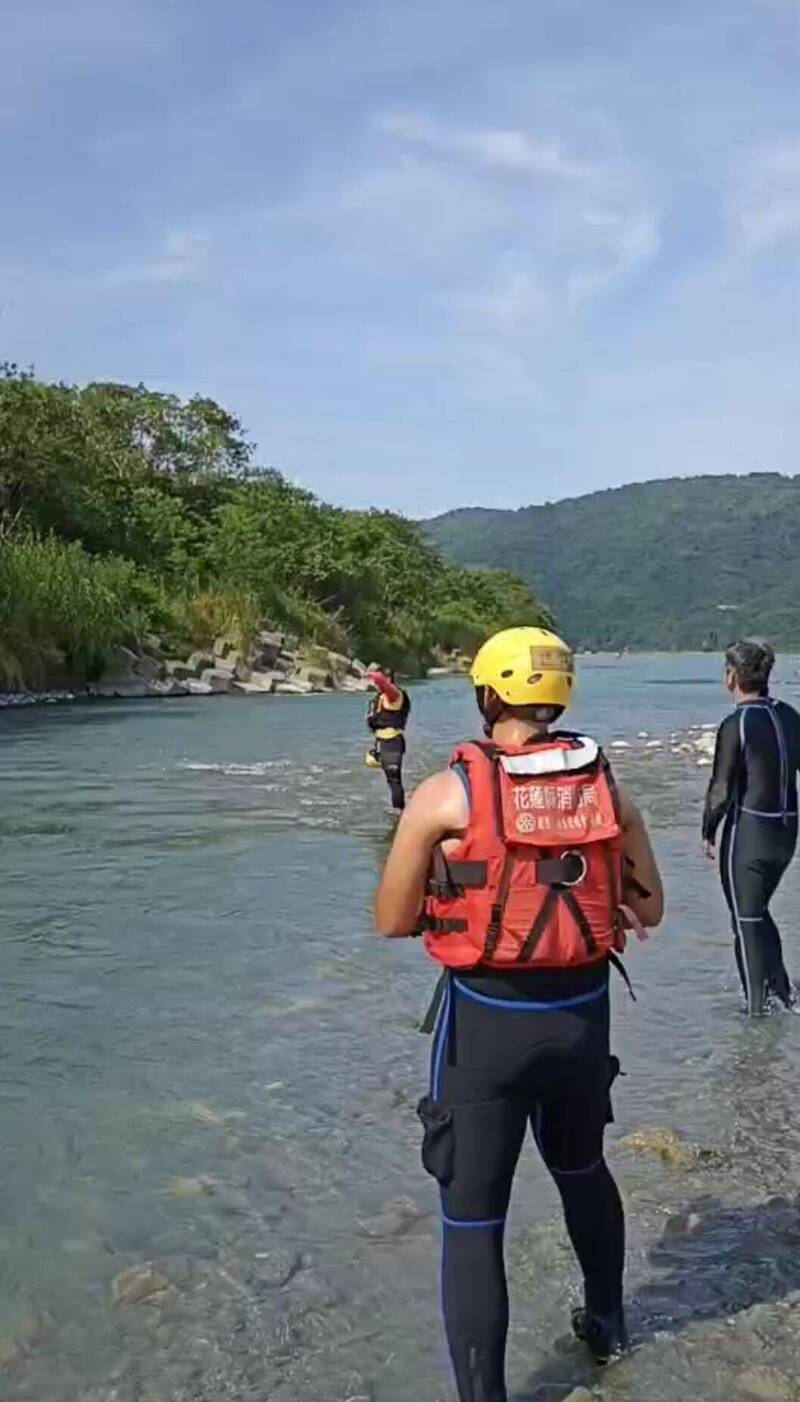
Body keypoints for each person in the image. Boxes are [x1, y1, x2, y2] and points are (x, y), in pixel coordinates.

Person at [374, 627, 663, 1402]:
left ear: (488, 696)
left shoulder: (446, 794)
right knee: (581, 1169)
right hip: (581, 1022)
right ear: (557, 696)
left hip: (487, 1030)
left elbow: (392, 919)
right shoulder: (608, 790)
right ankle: (607, 1324)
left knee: (473, 1224)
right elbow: (652, 909)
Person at [702, 639, 800, 1016]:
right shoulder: (790, 716)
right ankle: (785, 995)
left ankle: (757, 1015)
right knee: (758, 911)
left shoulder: (736, 724)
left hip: (749, 838)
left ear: (731, 677)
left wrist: (708, 830)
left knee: (745, 920)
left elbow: (721, 791)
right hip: (786, 836)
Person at [365, 664, 411, 812]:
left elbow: (382, 682)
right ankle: (401, 811)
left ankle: (401, 815)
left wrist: (370, 674)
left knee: (394, 780)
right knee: (392, 782)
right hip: (381, 743)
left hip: (392, 743)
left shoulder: (394, 696)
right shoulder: (379, 698)